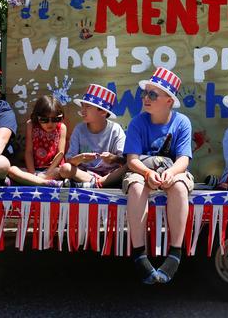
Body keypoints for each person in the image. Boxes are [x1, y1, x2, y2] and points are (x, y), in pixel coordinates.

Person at [123, 67, 193, 285]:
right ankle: (139, 254)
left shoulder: (182, 122)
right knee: (135, 188)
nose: (146, 98)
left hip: (172, 171)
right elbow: (131, 160)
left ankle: (175, 253)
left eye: (153, 94)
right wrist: (147, 173)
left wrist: (171, 173)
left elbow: (184, 159)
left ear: (169, 101)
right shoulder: (137, 122)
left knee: (180, 187)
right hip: (143, 171)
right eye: (145, 93)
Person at [58, 84, 127, 188]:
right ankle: (97, 183)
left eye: (88, 107)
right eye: (83, 106)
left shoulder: (115, 129)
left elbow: (124, 160)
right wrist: (80, 158)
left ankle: (93, 184)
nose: (83, 111)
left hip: (110, 175)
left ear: (103, 111)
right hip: (85, 174)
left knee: (129, 166)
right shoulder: (79, 129)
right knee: (65, 169)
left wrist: (114, 158)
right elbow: (69, 160)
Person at [7, 95, 68, 186]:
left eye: (55, 119)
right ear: (37, 116)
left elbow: (60, 153)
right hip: (34, 169)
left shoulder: (61, 128)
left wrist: (46, 173)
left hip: (52, 169)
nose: (50, 123)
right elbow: (29, 152)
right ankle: (45, 183)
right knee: (11, 170)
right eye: (44, 119)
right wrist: (33, 174)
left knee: (63, 171)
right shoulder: (31, 125)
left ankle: (33, 181)